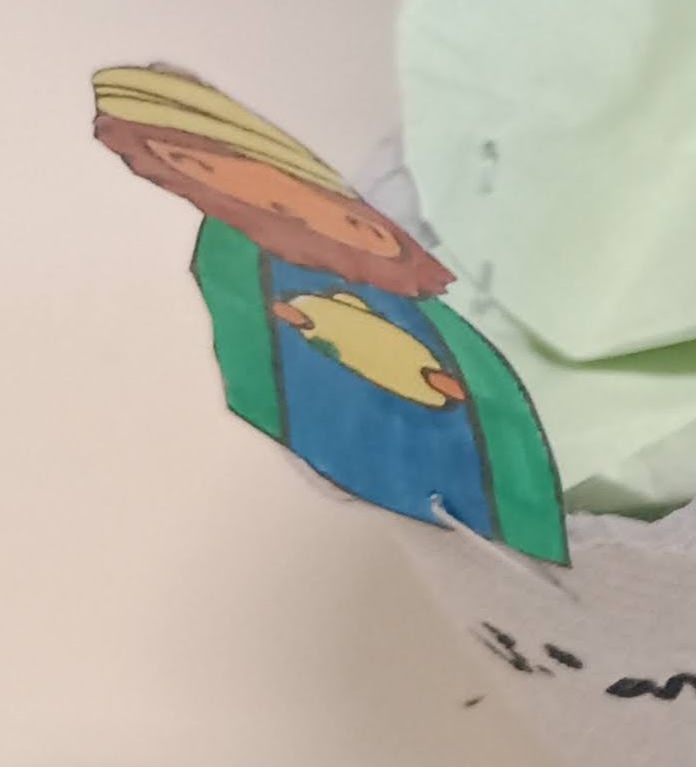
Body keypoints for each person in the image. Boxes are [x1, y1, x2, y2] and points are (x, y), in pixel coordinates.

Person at [92, 65, 566, 562]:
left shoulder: (350, 217)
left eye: (205, 156)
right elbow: (270, 380)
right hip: (440, 465)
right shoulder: (236, 257)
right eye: (179, 163)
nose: (208, 175)